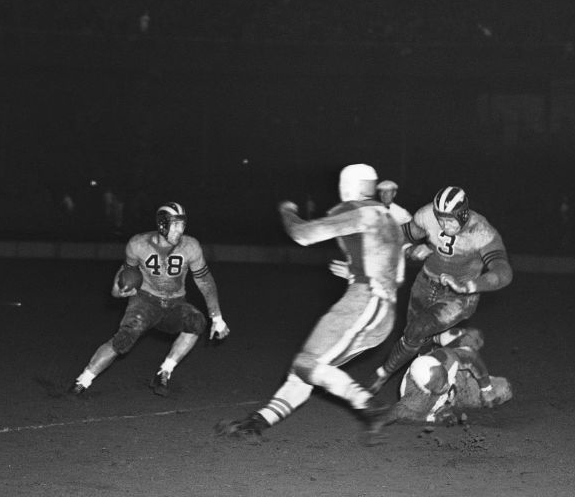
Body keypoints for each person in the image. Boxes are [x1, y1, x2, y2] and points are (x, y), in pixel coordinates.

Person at [216, 165, 411, 443]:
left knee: (308, 363)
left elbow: (302, 234)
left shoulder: (354, 209)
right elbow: (397, 271)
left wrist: (286, 210)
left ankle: (369, 406)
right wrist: (358, 270)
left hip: (365, 301)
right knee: (305, 369)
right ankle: (256, 424)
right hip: (381, 308)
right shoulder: (388, 218)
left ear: (348, 186)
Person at [68, 202, 230, 397]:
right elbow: (123, 276)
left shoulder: (190, 246)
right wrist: (119, 291)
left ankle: (164, 372)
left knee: (196, 322)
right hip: (145, 301)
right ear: (162, 224)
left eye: (182, 224)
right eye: (175, 224)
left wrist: (217, 317)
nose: (181, 229)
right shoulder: (138, 244)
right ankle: (82, 381)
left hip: (175, 303)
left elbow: (204, 280)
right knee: (123, 340)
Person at [366, 186, 513, 394]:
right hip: (425, 283)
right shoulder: (427, 215)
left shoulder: (481, 230)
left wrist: (469, 286)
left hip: (460, 296)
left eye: (450, 219)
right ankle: (444, 367)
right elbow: (401, 235)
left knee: (417, 330)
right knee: (414, 338)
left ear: (463, 215)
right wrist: (409, 251)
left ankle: (381, 375)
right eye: (440, 219)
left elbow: (503, 272)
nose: (444, 224)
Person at [385, 326, 512, 426]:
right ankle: (435, 342)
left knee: (474, 335)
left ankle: (436, 339)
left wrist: (486, 389)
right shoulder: (415, 400)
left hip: (455, 375)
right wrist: (432, 418)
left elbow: (471, 356)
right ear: (424, 388)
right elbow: (398, 413)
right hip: (457, 394)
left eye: (443, 380)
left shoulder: (445, 358)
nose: (445, 386)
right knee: (504, 389)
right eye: (439, 386)